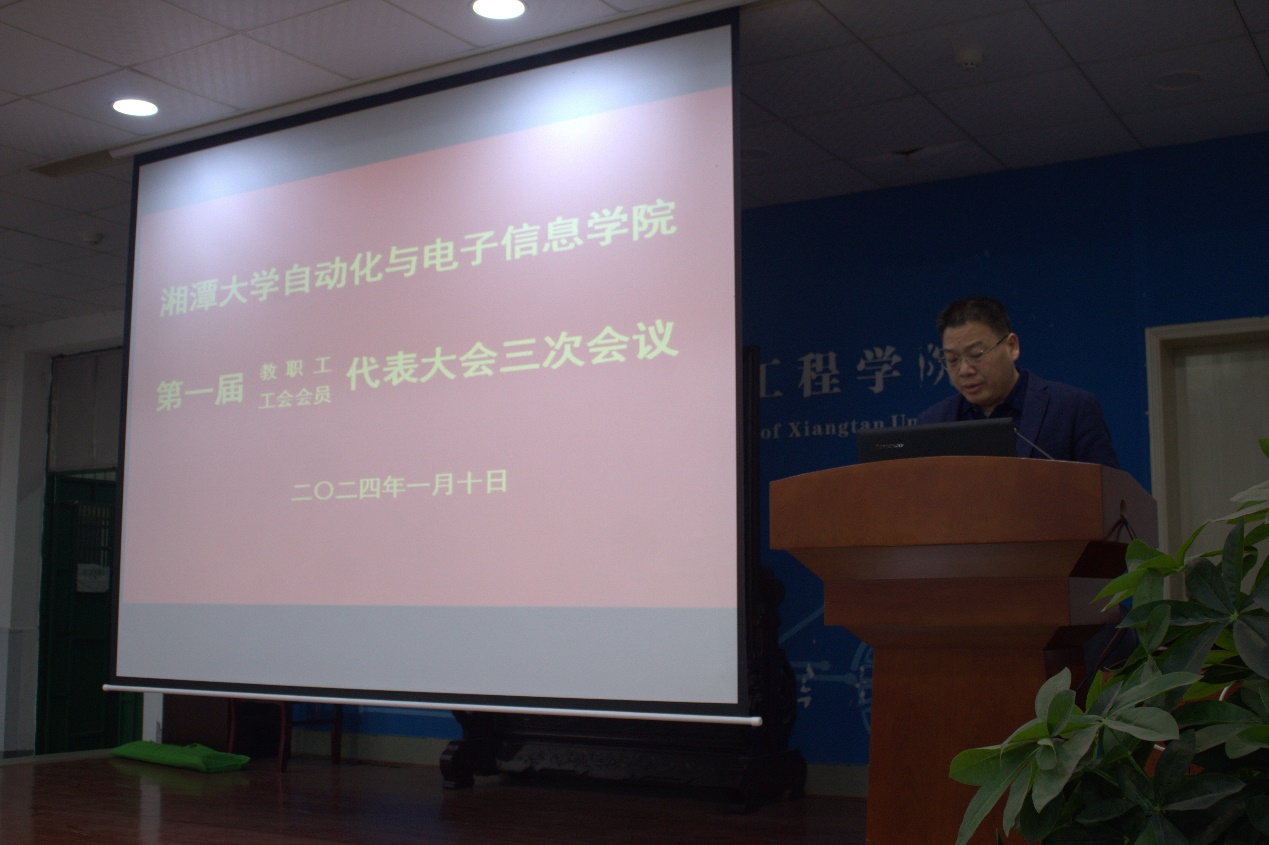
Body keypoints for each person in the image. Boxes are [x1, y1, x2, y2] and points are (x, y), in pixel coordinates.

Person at [917, 296, 1119, 467]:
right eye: (952, 359)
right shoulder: (931, 423)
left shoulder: (1071, 409)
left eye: (976, 354)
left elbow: (1106, 493)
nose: (964, 370)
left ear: (1012, 346)